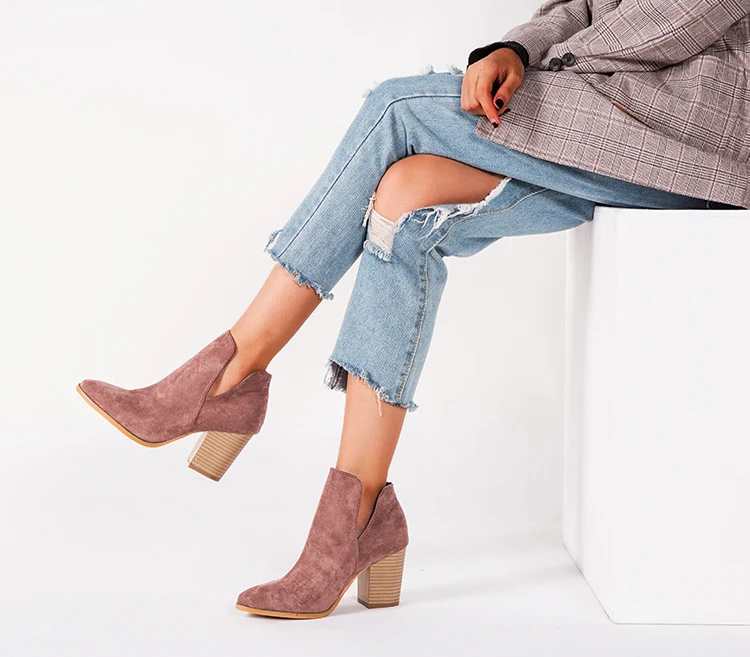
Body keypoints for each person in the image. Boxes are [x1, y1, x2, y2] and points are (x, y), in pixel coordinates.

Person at [76, 0, 749, 620]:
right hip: (605, 116)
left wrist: (552, 67)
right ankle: (357, 517)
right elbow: (579, 5)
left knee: (396, 108)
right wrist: (515, 49)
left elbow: (683, 16)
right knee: (403, 199)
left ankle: (230, 374)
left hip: (682, 130)